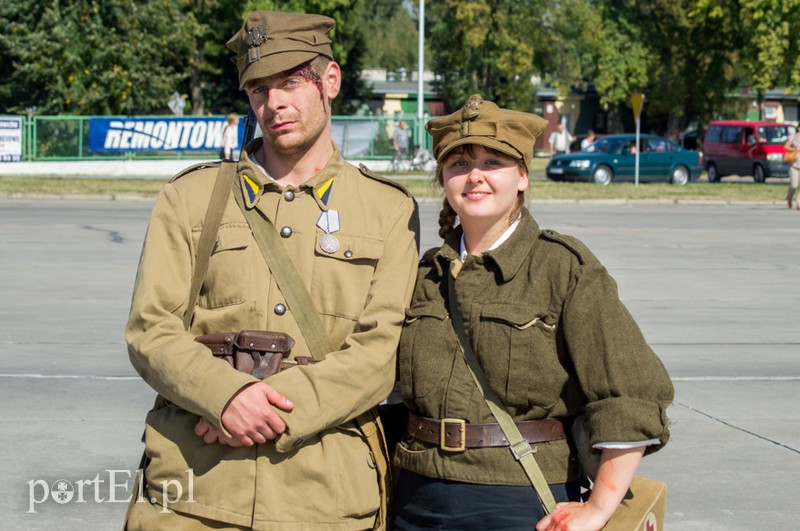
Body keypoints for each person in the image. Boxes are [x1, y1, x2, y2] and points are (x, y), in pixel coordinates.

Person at [124, 10, 420, 530]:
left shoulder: (388, 209)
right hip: (194, 491)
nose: (274, 104)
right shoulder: (188, 199)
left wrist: (267, 409)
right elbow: (151, 330)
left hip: (322, 497)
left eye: (290, 82)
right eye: (258, 89)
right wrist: (225, 396)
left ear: (330, 81)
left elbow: (379, 353)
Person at [391, 95, 674, 530]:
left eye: (493, 162)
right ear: (443, 178)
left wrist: (599, 508)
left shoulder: (562, 269)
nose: (475, 176)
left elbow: (630, 394)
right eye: (460, 164)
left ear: (522, 176)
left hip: (523, 501)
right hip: (417, 497)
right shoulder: (424, 274)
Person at [784, 129, 800, 209]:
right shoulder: (793, 137)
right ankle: (789, 198)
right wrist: (795, 149)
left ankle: (799, 202)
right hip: (794, 164)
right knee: (794, 184)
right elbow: (786, 147)